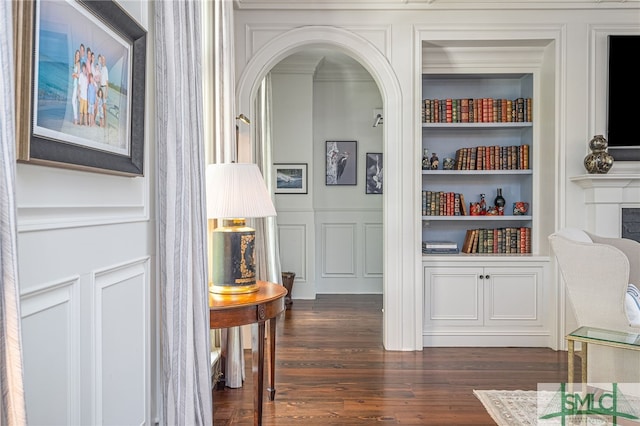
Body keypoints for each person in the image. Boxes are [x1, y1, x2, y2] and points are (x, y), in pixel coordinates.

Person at [71, 49, 80, 125]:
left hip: (77, 85)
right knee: (75, 102)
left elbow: (79, 75)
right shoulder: (75, 63)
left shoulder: (78, 64)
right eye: (76, 54)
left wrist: (74, 74)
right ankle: (76, 119)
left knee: (73, 101)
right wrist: (73, 75)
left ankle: (76, 119)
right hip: (74, 84)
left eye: (78, 55)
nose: (77, 56)